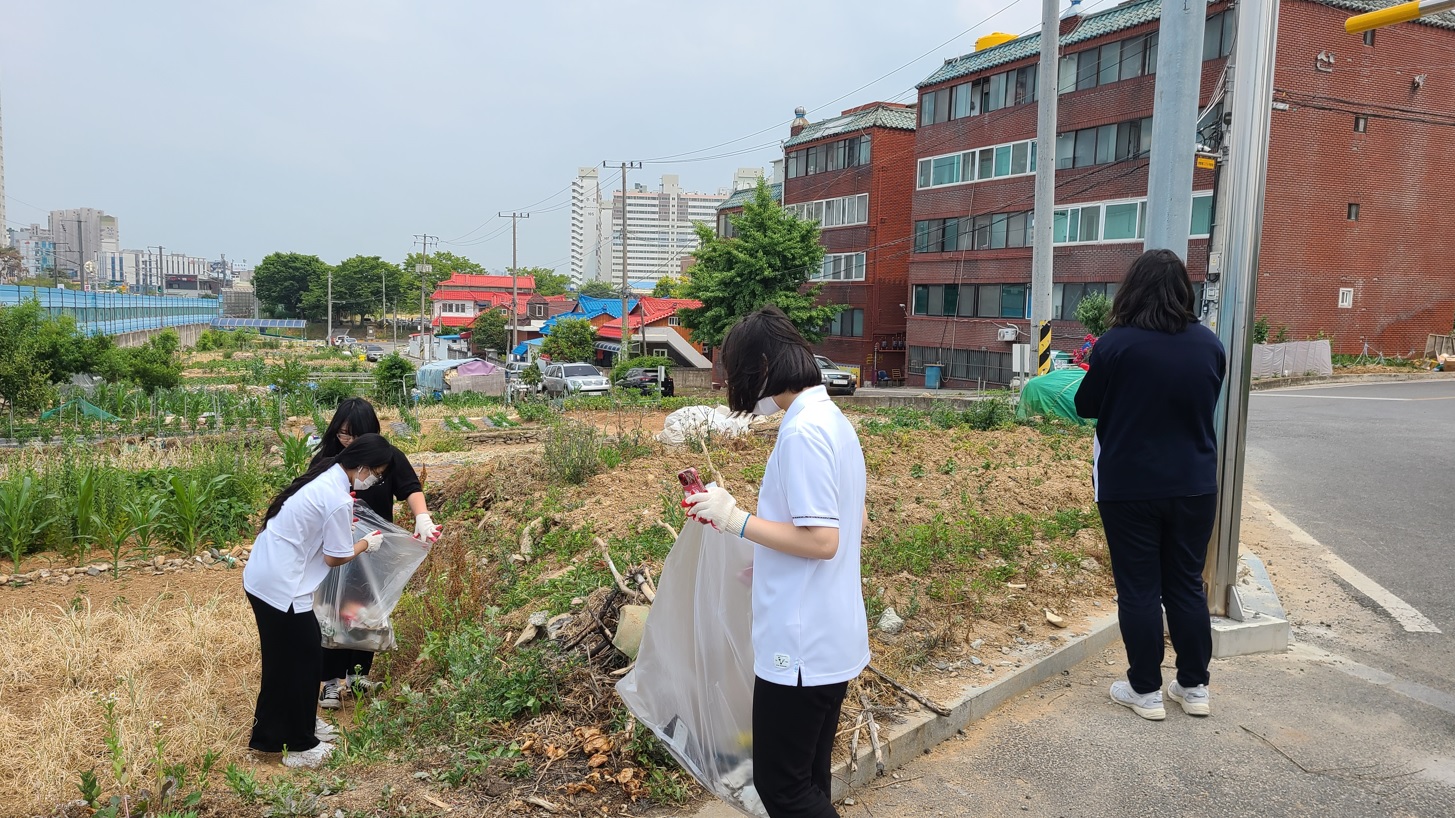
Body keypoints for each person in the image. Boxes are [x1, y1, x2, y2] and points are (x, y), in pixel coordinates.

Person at [686, 306, 869, 818]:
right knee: (808, 778)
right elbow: (850, 522)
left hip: (801, 646)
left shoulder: (803, 432)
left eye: (740, 373)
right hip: (827, 632)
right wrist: (767, 562)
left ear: (764, 365)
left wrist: (735, 520)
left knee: (782, 788)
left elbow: (822, 540)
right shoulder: (831, 420)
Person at [1074, 249, 1227, 721]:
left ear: (1132, 290)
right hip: (1195, 484)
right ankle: (1194, 686)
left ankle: (1145, 690)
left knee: (1139, 588)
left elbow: (1086, 405)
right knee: (1185, 583)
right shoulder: (1208, 344)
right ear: (1183, 291)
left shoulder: (1117, 344)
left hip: (1130, 485)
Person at [243, 432, 400, 768]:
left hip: (270, 576)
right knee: (297, 665)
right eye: (378, 472)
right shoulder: (336, 498)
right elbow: (335, 557)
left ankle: (292, 728)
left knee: (296, 660)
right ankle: (298, 745)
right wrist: (365, 544)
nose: (377, 479)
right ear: (362, 467)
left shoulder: (327, 475)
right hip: (281, 587)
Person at [310, 398, 442, 708]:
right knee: (330, 613)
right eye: (344, 434)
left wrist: (422, 517)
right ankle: (329, 682)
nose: (350, 442)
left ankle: (357, 676)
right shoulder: (327, 461)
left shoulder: (388, 457)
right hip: (335, 551)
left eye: (357, 435)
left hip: (374, 549)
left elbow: (410, 487)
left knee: (365, 612)